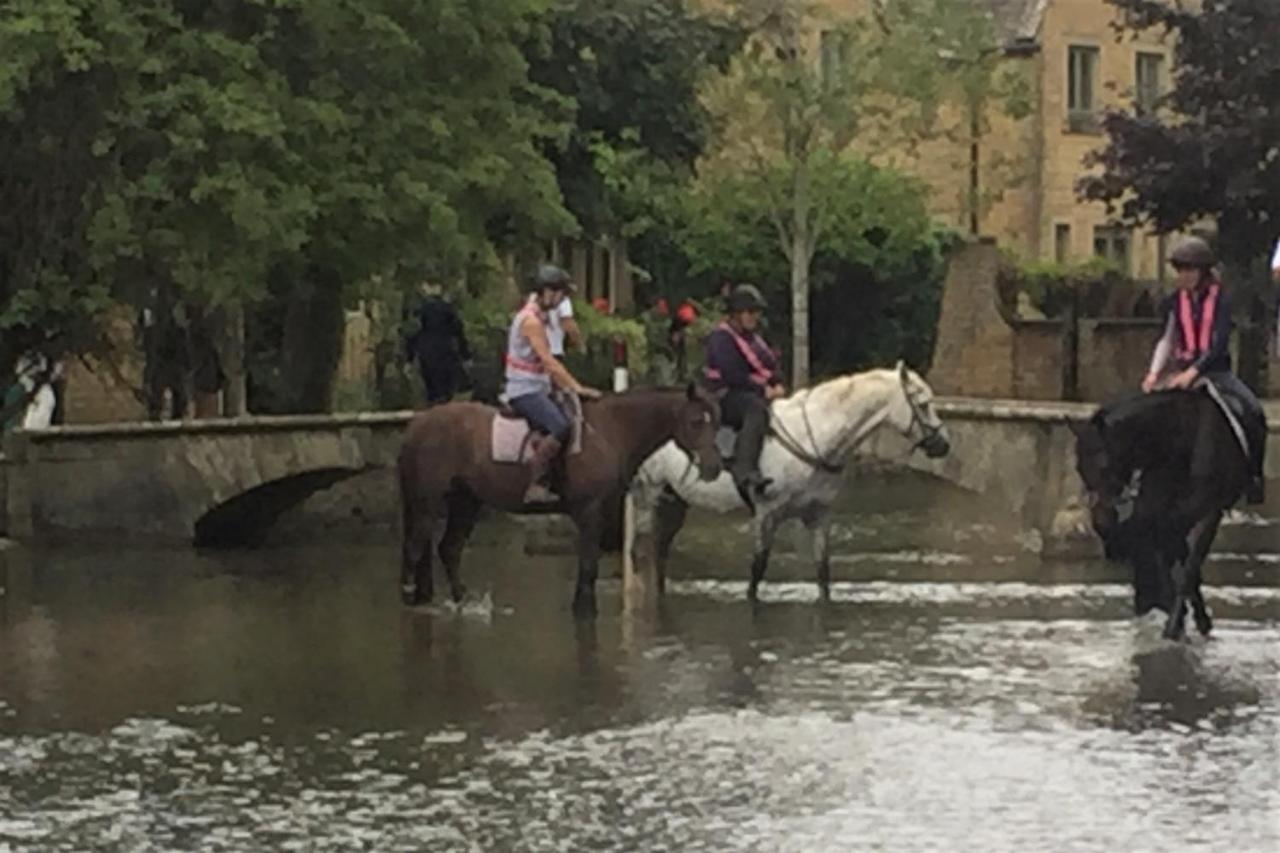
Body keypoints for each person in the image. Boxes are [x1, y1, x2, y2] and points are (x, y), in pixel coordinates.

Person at [1142, 236, 1267, 504]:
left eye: (1190, 270)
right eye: (1181, 270)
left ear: (1203, 272)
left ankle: (1253, 478)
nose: (1185, 276)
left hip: (1216, 372)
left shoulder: (1221, 300)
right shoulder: (1174, 301)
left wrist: (1195, 372)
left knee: (1253, 411)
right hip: (1179, 371)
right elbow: (1167, 338)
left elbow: (1219, 344)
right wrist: (1154, 374)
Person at [503, 264, 603, 502]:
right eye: (560, 294)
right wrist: (576, 387)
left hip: (540, 386)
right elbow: (549, 362)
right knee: (561, 426)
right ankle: (536, 483)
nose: (562, 300)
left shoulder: (542, 317)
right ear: (547, 292)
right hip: (524, 389)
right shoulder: (531, 322)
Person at [703, 284, 786, 501]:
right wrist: (764, 389)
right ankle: (745, 470)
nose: (754, 317)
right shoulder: (721, 338)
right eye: (749, 312)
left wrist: (777, 383)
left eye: (756, 312)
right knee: (755, 409)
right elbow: (732, 374)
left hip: (748, 391)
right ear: (736, 314)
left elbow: (770, 364)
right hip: (723, 396)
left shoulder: (754, 339)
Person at [405, 283, 472, 405]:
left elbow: (412, 334)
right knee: (446, 389)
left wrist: (409, 359)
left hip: (426, 353)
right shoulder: (448, 309)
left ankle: (434, 408)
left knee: (432, 389)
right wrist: (466, 355)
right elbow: (458, 332)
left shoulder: (419, 310)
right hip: (446, 352)